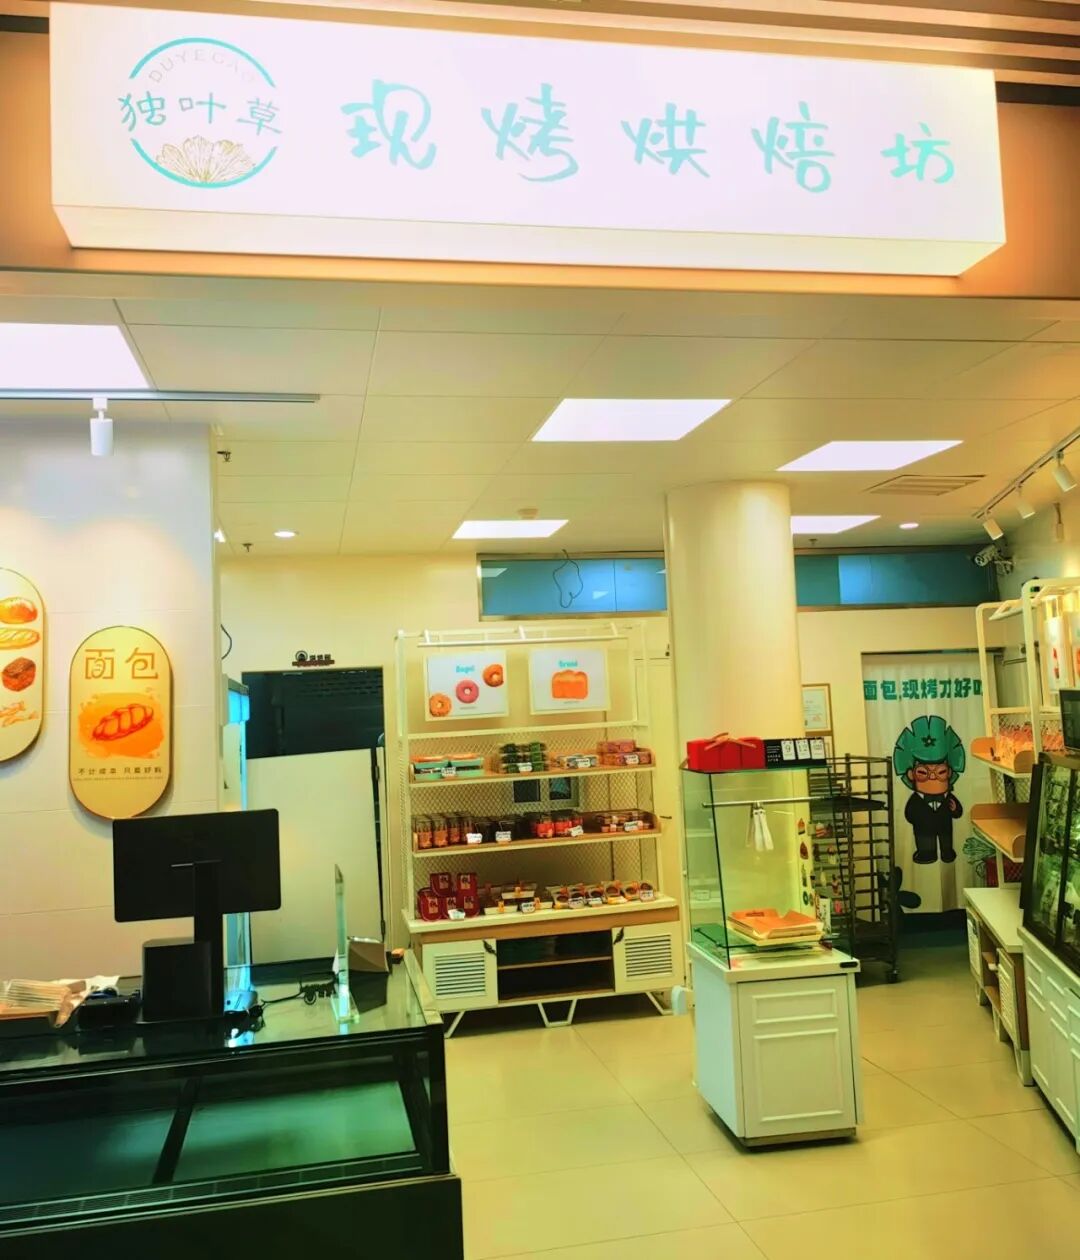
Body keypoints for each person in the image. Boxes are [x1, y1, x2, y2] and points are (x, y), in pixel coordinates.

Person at [893, 715, 965, 865]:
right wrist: (917, 816)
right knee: (925, 842)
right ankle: (926, 854)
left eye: (940, 772)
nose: (932, 777)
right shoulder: (916, 800)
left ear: (949, 772)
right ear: (911, 774)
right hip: (923, 829)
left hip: (944, 827)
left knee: (946, 839)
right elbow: (908, 814)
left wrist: (955, 809)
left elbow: (958, 813)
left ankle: (947, 852)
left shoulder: (948, 797)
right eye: (923, 773)